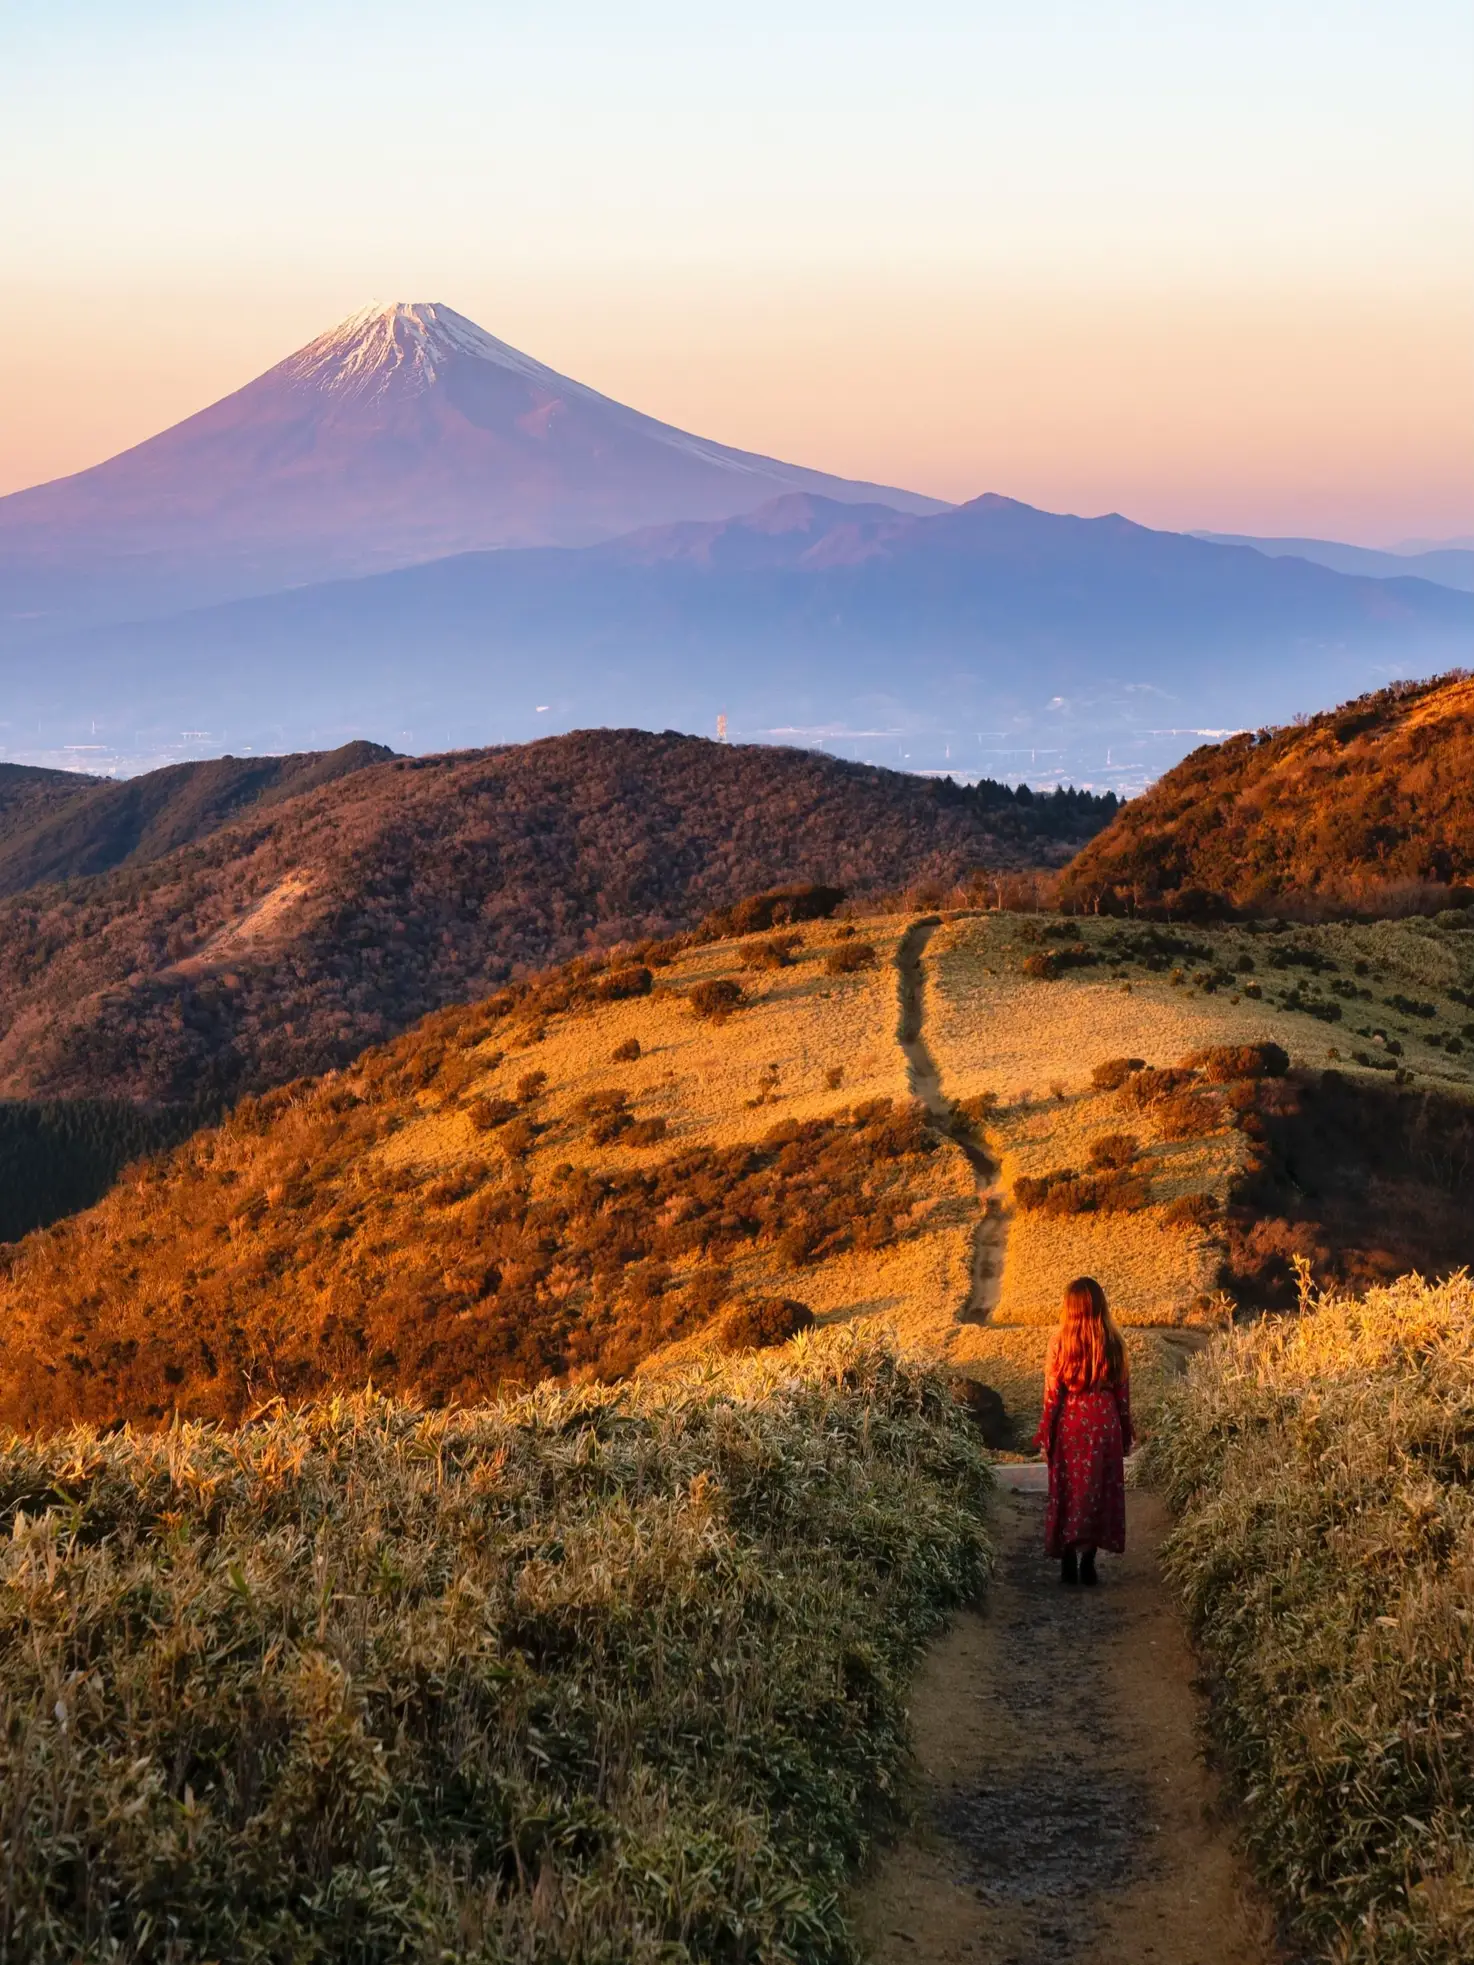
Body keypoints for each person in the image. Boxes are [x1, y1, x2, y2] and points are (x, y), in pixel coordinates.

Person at [1032, 1276, 1133, 1585]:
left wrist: (1046, 1433)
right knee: (1097, 1491)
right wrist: (1126, 1433)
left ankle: (1067, 1560)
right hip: (1105, 1423)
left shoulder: (1059, 1342)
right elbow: (1123, 1397)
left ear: (1069, 1308)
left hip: (1071, 1422)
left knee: (1067, 1489)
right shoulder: (1114, 1343)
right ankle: (1089, 1562)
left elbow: (1052, 1395)